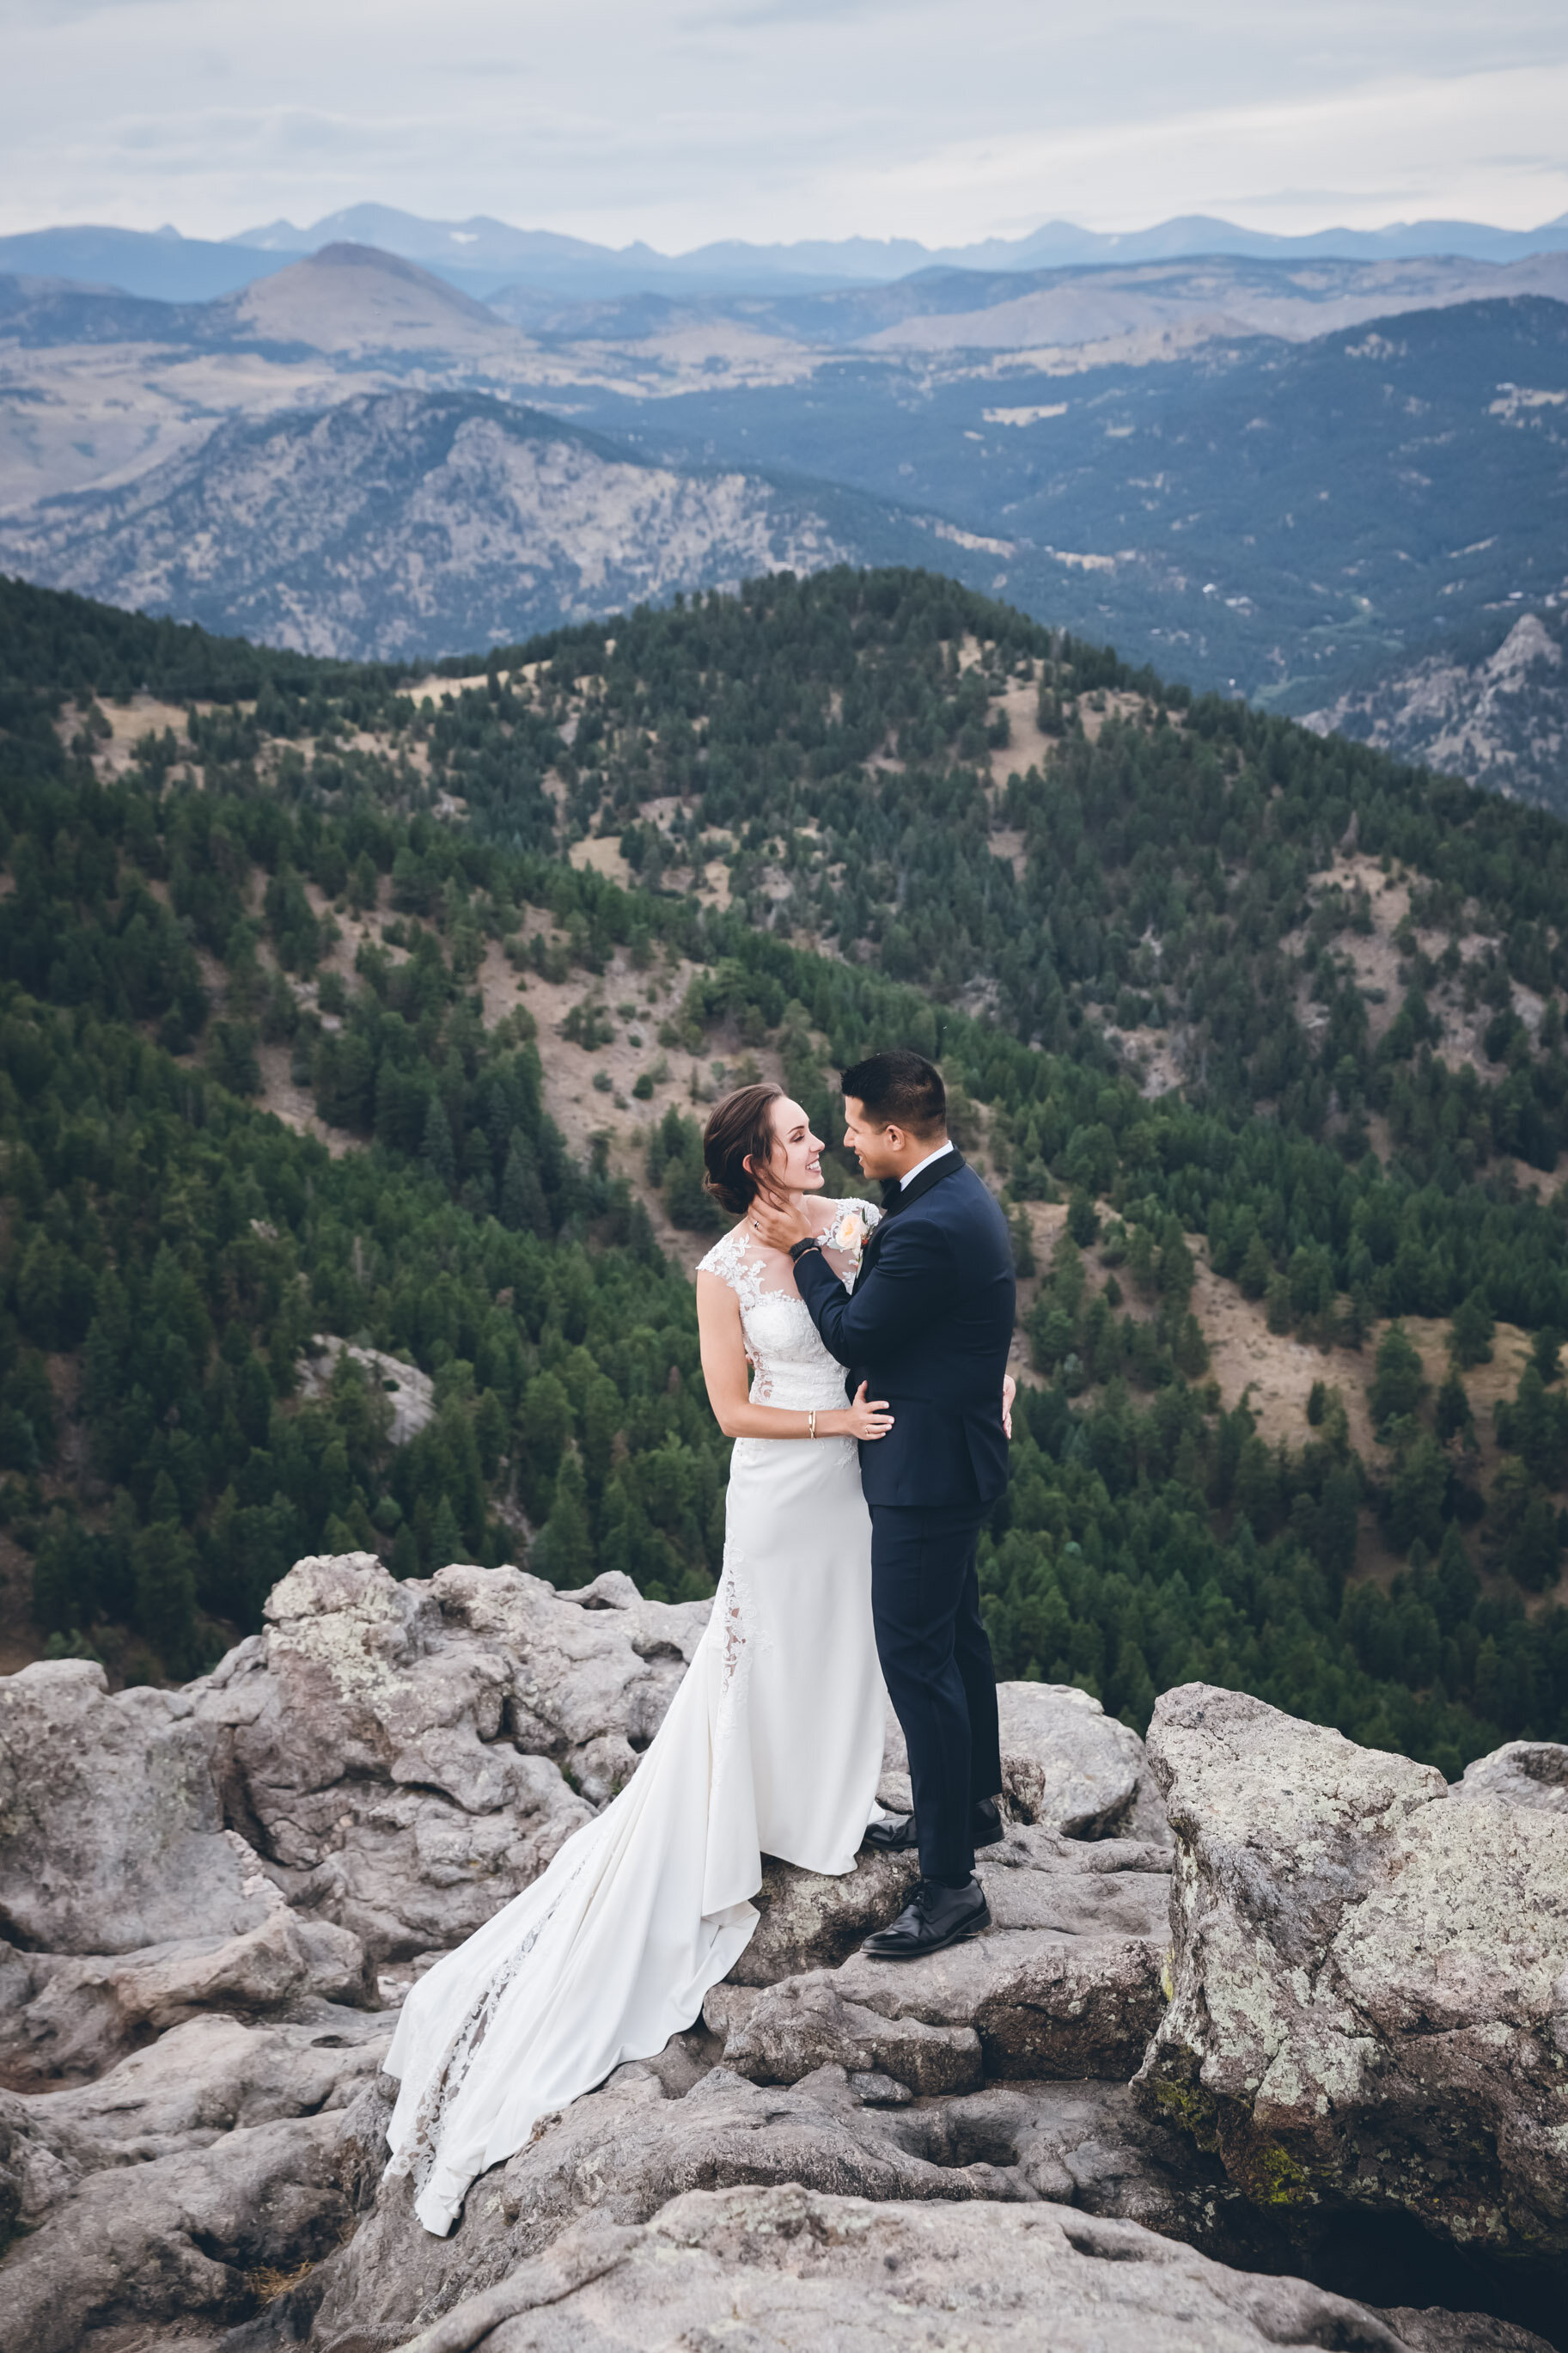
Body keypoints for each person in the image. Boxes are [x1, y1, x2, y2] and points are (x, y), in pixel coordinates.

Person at [381, 1081, 893, 2236]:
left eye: (818, 1128)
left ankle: (825, 1803)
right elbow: (729, 1409)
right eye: (801, 1133)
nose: (821, 1142)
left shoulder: (854, 1225)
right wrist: (834, 1424)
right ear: (760, 1160)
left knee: (842, 1638)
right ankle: (749, 1819)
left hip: (858, 1478)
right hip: (785, 1479)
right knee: (759, 1650)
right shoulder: (721, 1272)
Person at [747, 1048, 1016, 1961]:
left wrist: (799, 1252)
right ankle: (973, 1805)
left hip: (924, 1472)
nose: (845, 1138)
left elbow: (855, 1329)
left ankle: (951, 1887)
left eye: (855, 1125)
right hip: (956, 1455)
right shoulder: (947, 1197)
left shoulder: (929, 1222)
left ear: (895, 1134)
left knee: (917, 1660)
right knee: (959, 1635)